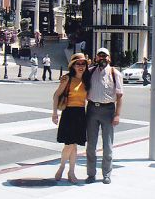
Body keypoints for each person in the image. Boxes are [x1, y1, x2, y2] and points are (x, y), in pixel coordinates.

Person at [85, 47, 123, 184]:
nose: (102, 58)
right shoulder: (90, 72)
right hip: (92, 110)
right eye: (100, 56)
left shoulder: (115, 73)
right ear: (96, 58)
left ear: (109, 58)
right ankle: (90, 174)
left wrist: (117, 115)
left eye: (105, 56)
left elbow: (119, 96)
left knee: (107, 145)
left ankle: (106, 173)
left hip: (108, 111)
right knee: (91, 145)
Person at [52, 53, 90, 183]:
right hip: (69, 113)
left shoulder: (86, 79)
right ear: (72, 65)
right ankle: (62, 167)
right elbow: (56, 95)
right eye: (78, 63)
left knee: (74, 146)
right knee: (69, 144)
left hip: (80, 113)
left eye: (83, 63)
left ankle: (71, 172)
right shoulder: (67, 79)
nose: (81, 66)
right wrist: (54, 113)